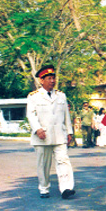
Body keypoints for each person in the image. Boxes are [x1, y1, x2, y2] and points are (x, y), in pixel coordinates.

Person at [26, 65, 75, 199]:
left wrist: (69, 132)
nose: (52, 81)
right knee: (43, 164)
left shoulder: (61, 96)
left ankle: (66, 188)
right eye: (49, 78)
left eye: (53, 78)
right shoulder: (34, 97)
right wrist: (37, 129)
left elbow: (66, 116)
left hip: (59, 135)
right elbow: (31, 115)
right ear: (41, 80)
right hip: (42, 136)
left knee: (63, 161)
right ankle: (44, 188)